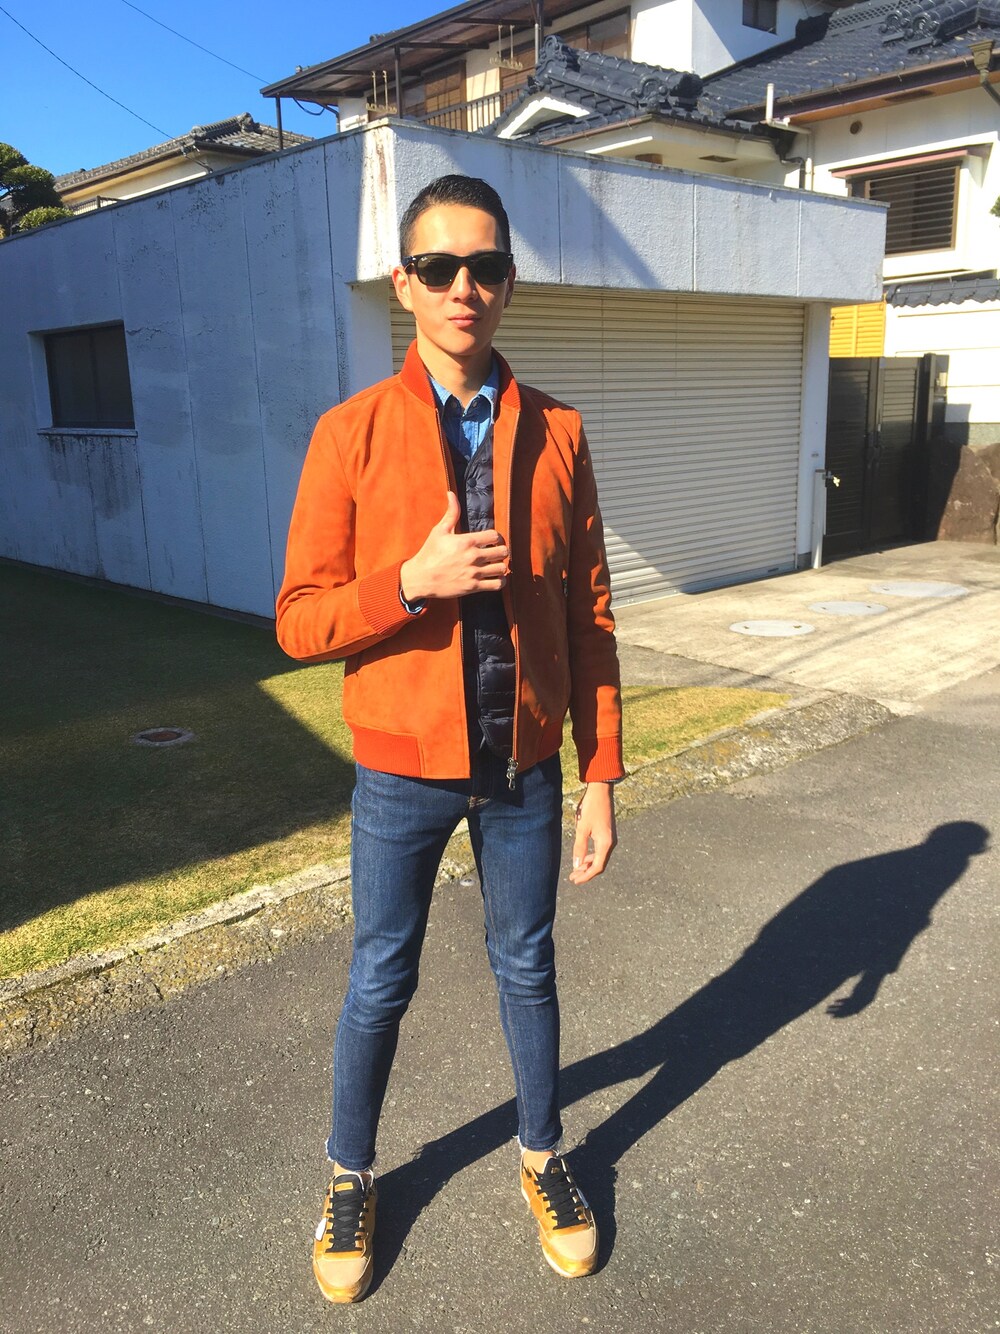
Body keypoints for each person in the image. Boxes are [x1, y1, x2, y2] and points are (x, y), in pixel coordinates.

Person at [276, 173, 624, 1304]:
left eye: (484, 266)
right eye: (439, 267)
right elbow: (297, 621)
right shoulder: (350, 434)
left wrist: (600, 774)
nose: (462, 287)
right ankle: (350, 1175)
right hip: (399, 772)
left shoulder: (559, 432)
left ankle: (543, 1153)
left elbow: (590, 617)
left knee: (528, 966)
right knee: (380, 976)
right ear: (404, 283)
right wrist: (408, 582)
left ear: (509, 281)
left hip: (523, 768)